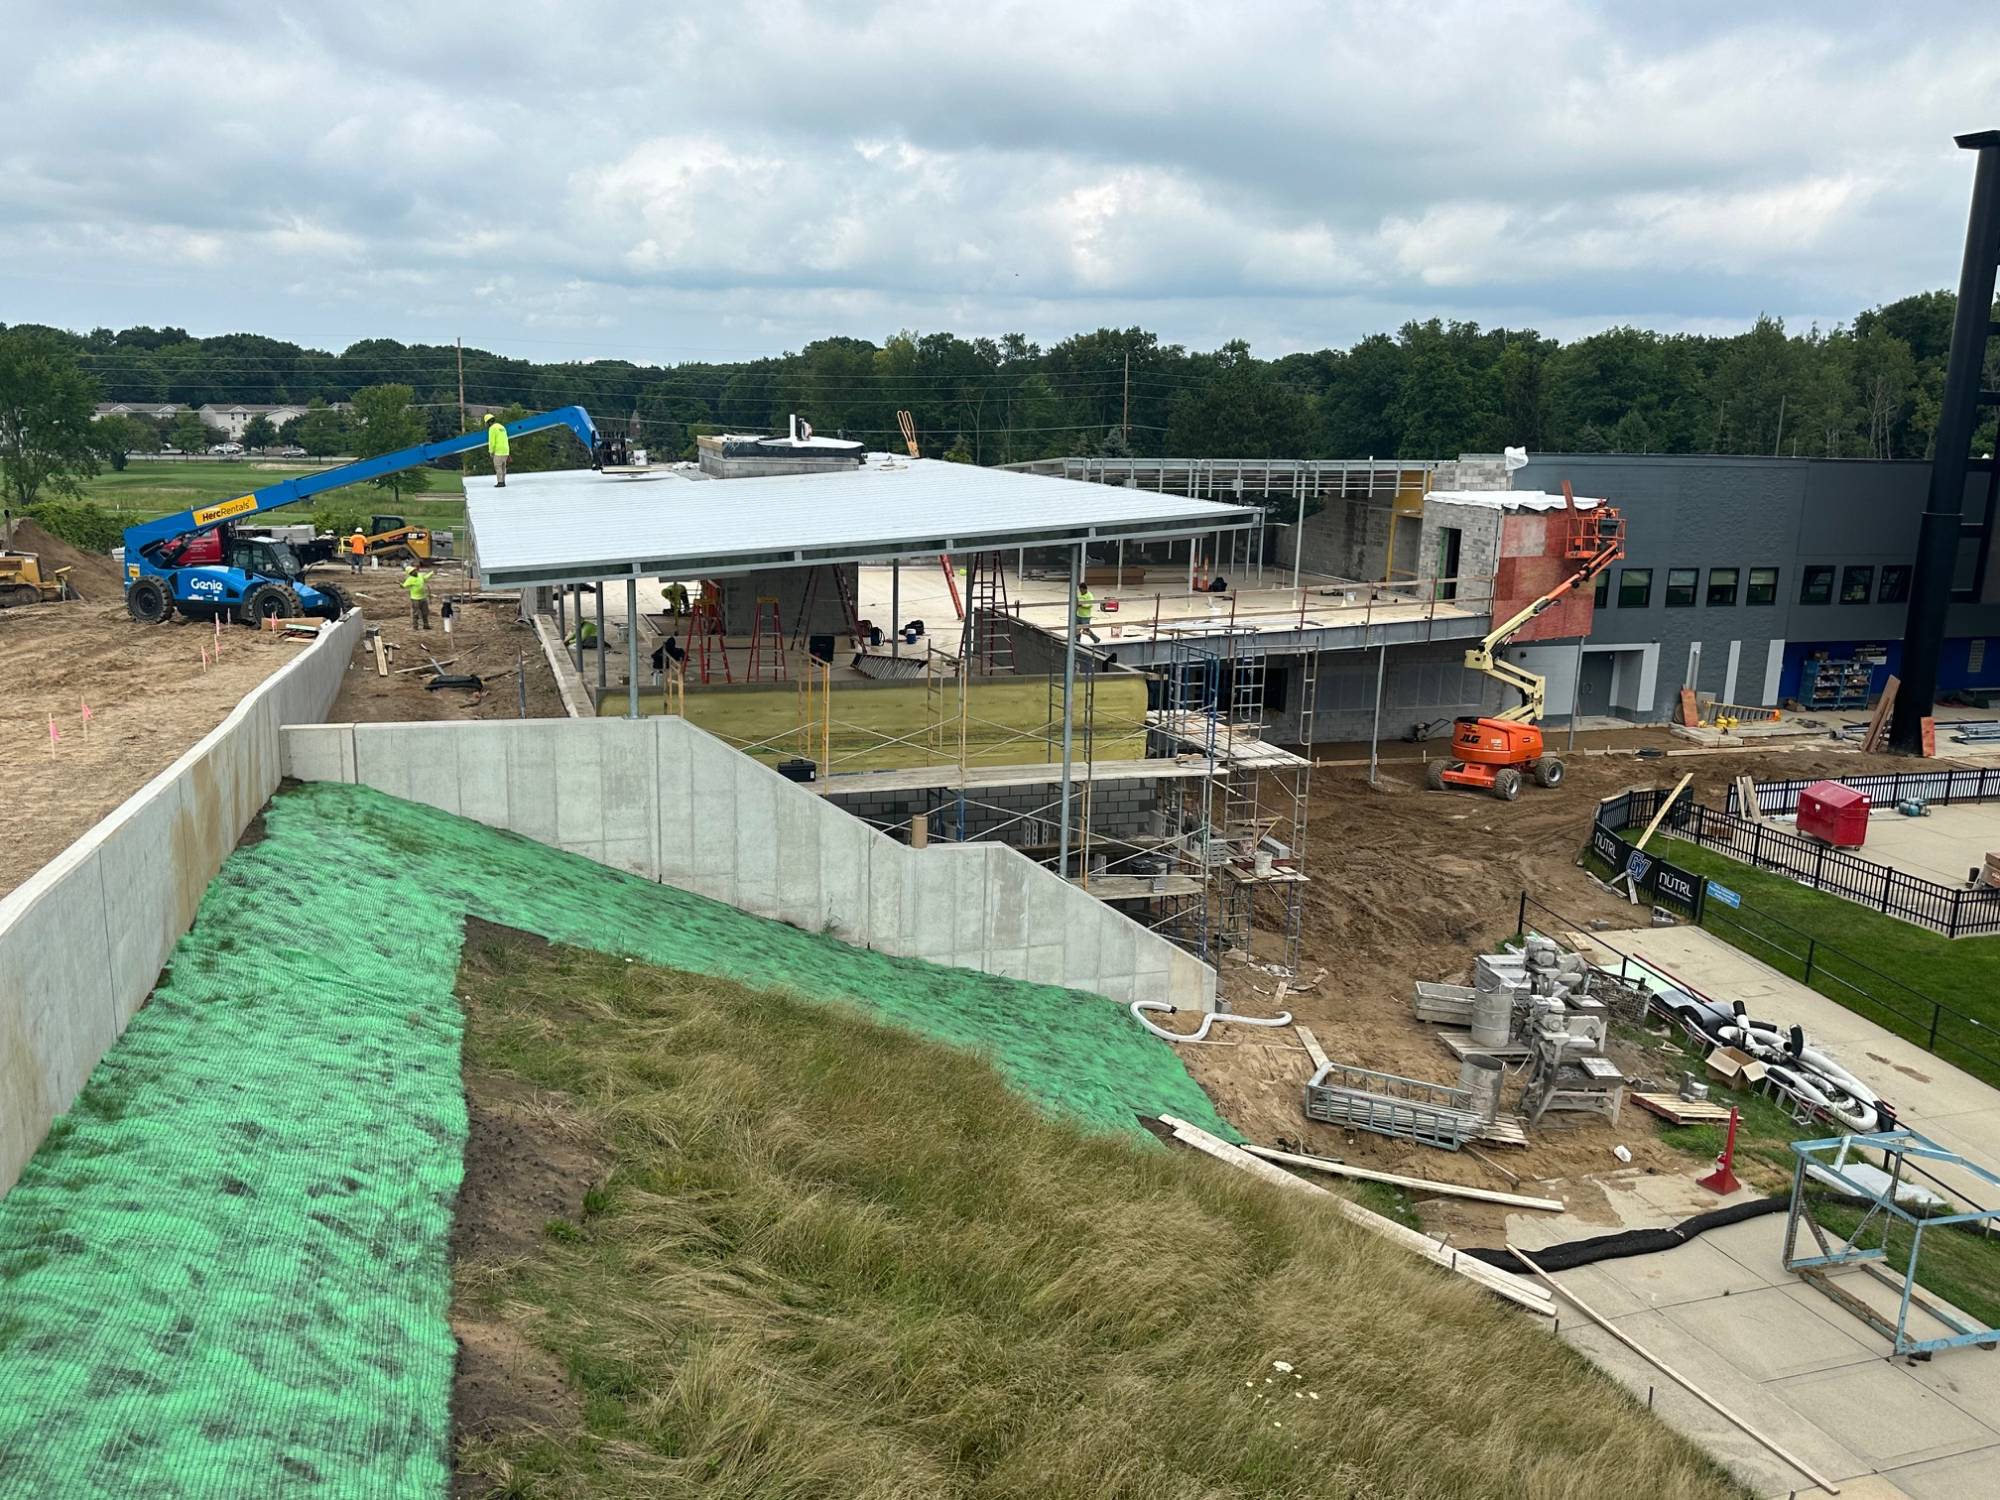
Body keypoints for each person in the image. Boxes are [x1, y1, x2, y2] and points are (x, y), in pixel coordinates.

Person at [400, 563, 431, 630]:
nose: (415, 572)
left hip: (423, 597)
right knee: (415, 613)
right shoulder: (410, 579)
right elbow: (404, 586)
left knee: (425, 612)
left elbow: (426, 577)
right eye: (413, 572)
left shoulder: (420, 575)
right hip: (415, 599)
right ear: (410, 573)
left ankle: (426, 625)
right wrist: (401, 585)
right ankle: (415, 626)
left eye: (415, 570)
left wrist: (432, 573)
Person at [486, 413, 510, 487]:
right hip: (505, 450)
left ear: (489, 422)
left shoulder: (492, 428)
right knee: (503, 467)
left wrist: (491, 452)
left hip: (498, 450)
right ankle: (503, 481)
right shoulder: (502, 427)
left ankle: (500, 482)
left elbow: (491, 442)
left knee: (498, 466)